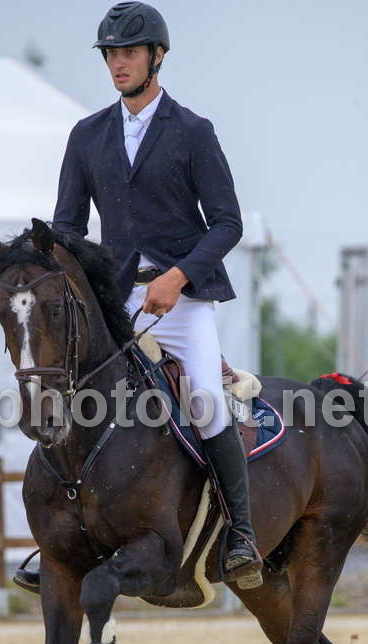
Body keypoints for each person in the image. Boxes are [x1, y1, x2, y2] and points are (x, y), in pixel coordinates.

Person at [51, 1, 262, 587]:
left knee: (205, 400)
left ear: (157, 56)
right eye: (110, 54)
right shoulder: (87, 135)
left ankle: (241, 533)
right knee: (68, 396)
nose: (117, 64)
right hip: (115, 300)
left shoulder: (192, 131)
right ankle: (60, 535)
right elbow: (67, 227)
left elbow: (227, 223)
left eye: (128, 53)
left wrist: (178, 277)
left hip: (181, 300)